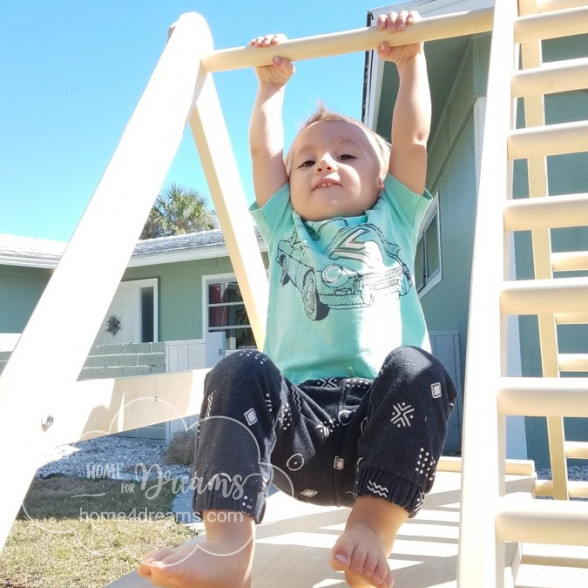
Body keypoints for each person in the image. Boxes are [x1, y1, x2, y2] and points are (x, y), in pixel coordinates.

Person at [138, 10, 456, 588]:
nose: (324, 164)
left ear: (381, 181)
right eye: (307, 160)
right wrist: (267, 90)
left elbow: (412, 137)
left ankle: (370, 528)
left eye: (346, 155)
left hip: (380, 428)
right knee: (240, 366)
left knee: (420, 368)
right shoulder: (287, 228)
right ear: (292, 183)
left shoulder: (396, 216)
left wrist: (412, 63)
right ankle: (228, 543)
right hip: (296, 428)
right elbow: (264, 156)